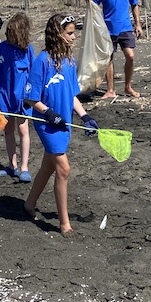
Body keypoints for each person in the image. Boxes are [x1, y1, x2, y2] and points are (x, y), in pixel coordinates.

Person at [23, 13, 99, 235]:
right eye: (69, 33)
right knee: (63, 169)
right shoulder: (42, 61)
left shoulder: (69, 61)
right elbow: (31, 98)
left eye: (74, 33)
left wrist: (85, 117)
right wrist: (48, 113)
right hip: (48, 124)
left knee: (48, 167)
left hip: (64, 121)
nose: (74, 37)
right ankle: (64, 223)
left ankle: (29, 204)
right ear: (57, 34)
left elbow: (71, 95)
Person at [0, 12, 36, 182]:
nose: (10, 36)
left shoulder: (27, 50)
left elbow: (33, 75)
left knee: (23, 130)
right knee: (8, 130)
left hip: (21, 96)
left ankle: (24, 167)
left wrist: (31, 96)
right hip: (4, 95)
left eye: (13, 33)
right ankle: (11, 165)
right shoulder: (1, 48)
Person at [93, 0, 143, 98]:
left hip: (125, 27)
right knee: (109, 59)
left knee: (130, 56)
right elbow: (95, 7)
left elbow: (134, 4)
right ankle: (110, 90)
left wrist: (138, 24)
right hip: (108, 29)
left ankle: (128, 87)